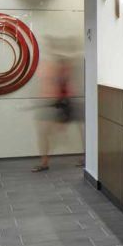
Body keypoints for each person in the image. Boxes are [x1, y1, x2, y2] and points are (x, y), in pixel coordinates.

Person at [33, 37, 74, 172]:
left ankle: (45, 162)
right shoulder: (46, 63)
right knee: (44, 133)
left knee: (45, 132)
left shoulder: (61, 63)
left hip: (55, 102)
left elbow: (64, 84)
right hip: (46, 102)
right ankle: (44, 161)